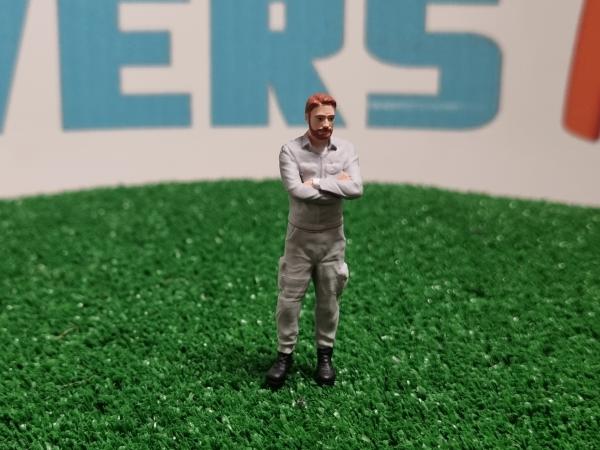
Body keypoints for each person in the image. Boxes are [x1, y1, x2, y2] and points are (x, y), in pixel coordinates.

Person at [265, 93, 363, 388]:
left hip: (332, 240)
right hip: (300, 240)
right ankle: (284, 355)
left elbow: (356, 189)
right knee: (289, 301)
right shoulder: (290, 151)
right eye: (320, 118)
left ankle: (325, 356)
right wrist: (337, 186)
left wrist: (318, 183)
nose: (326, 124)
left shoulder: (346, 150)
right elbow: (296, 190)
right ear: (308, 117)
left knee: (329, 300)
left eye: (331, 118)